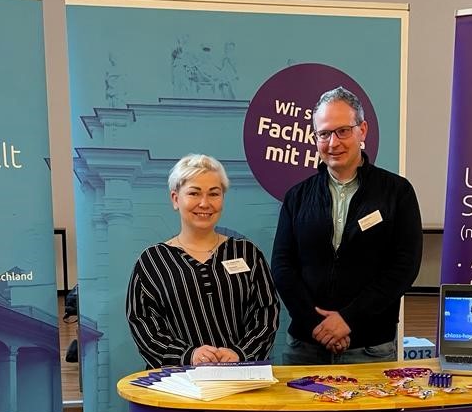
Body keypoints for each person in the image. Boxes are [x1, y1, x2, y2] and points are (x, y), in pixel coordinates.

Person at [271, 86, 422, 365]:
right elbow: (282, 266)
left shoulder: (396, 192)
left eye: (342, 131)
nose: (333, 143)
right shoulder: (297, 197)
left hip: (370, 348)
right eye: (324, 134)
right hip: (306, 346)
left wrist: (348, 319)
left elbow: (404, 267)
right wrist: (318, 325)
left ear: (362, 131)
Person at [126, 154, 279, 369]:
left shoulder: (248, 253)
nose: (204, 203)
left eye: (214, 194)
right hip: (178, 381)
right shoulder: (151, 261)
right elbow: (142, 324)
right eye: (194, 193)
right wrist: (189, 355)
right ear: (175, 199)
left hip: (240, 379)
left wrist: (240, 353)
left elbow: (266, 313)